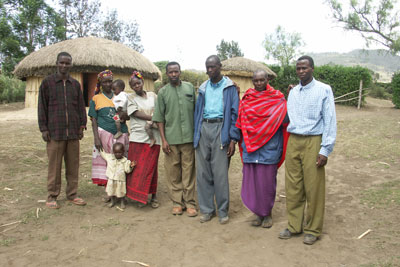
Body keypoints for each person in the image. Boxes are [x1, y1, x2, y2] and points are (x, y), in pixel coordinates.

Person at [279, 55, 337, 245]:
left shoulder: (324, 90)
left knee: (314, 187)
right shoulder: (294, 92)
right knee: (293, 186)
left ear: (312, 69)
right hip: (294, 140)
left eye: (304, 68)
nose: (301, 71)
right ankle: (294, 226)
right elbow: (288, 116)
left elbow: (329, 120)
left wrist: (325, 149)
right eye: (298, 68)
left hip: (314, 141)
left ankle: (313, 229)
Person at [236, 69, 288, 228]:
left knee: (266, 183)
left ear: (267, 80)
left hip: (269, 147)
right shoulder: (247, 99)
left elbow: (285, 120)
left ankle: (268, 214)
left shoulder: (277, 98)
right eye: (255, 80)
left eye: (261, 80)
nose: (258, 83)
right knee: (253, 182)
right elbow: (241, 121)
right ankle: (258, 213)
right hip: (251, 148)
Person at [193, 55, 240, 224]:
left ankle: (222, 211)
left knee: (220, 174)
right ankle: (206, 210)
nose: (210, 70)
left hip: (222, 128)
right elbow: (198, 112)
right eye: (208, 67)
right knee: (203, 173)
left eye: (213, 66)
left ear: (220, 66)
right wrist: (196, 134)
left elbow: (235, 114)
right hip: (204, 128)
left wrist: (233, 139)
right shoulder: (203, 87)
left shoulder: (230, 88)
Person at [38, 51, 87, 209]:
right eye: (62, 63)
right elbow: (42, 107)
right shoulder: (47, 83)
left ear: (71, 65)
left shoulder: (75, 84)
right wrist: (44, 128)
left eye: (67, 63)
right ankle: (52, 195)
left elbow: (80, 106)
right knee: (55, 166)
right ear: (57, 63)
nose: (64, 65)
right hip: (55, 132)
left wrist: (81, 125)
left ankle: (72, 194)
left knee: (73, 165)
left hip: (73, 132)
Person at [153, 62, 197, 217]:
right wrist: (163, 140)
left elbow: (197, 112)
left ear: (180, 72)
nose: (173, 74)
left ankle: (190, 203)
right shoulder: (163, 92)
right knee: (173, 172)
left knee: (189, 172)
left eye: (176, 71)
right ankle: (177, 203)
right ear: (166, 73)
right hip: (171, 139)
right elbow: (159, 119)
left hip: (189, 139)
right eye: (170, 72)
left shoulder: (190, 88)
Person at [89, 70, 130, 194]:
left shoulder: (120, 96)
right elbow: (94, 120)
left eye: (110, 81)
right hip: (104, 135)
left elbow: (128, 116)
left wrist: (123, 115)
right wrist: (96, 138)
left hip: (121, 134)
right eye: (105, 82)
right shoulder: (96, 99)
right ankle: (109, 191)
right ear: (100, 83)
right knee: (107, 162)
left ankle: (121, 190)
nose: (108, 84)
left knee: (121, 162)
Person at [126, 71, 161, 208]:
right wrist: (153, 118)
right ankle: (139, 197)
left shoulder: (153, 96)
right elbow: (135, 113)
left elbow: (160, 109)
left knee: (151, 168)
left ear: (143, 82)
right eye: (133, 85)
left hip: (154, 137)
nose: (136, 86)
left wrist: (156, 119)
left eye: (138, 83)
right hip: (137, 137)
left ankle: (153, 196)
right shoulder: (130, 98)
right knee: (137, 167)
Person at [100, 142, 135, 209]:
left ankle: (122, 202)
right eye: (116, 153)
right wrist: (99, 146)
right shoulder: (110, 158)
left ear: (123, 152)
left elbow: (127, 170)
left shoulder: (125, 161)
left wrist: (131, 166)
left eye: (119, 153)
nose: (118, 154)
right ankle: (112, 202)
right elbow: (103, 153)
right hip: (111, 179)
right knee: (111, 191)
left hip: (120, 180)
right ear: (113, 152)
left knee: (121, 192)